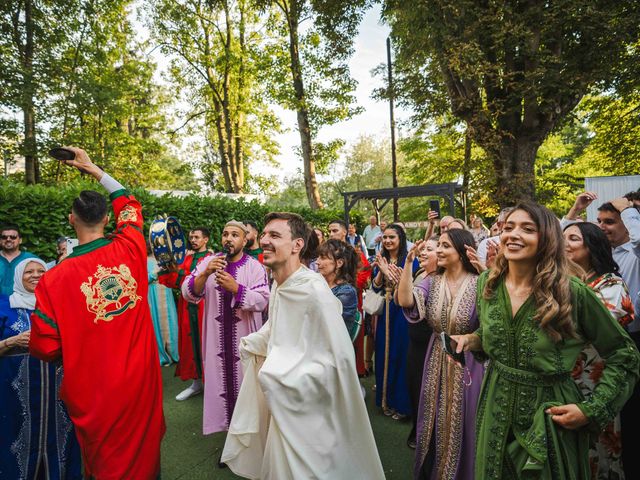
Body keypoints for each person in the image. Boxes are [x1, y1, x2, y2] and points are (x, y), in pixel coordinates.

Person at [452, 202, 640, 479]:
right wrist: (471, 339)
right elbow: (500, 333)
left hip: (550, 415)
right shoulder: (486, 284)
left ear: (547, 239)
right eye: (508, 228)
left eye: (527, 229)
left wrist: (591, 409)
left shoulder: (571, 292)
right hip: (495, 405)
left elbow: (624, 355)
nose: (513, 235)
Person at [29, 147, 165, 479]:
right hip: (139, 383)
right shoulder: (132, 247)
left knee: (104, 464)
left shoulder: (54, 279)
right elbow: (128, 202)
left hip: (94, 391)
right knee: (145, 459)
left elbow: (45, 347)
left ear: (71, 219)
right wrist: (93, 169)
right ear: (106, 219)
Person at [221, 212, 385, 479]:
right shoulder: (279, 285)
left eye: (275, 235)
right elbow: (279, 328)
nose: (264, 240)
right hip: (282, 404)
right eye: (263, 234)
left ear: (297, 245)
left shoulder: (313, 291)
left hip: (308, 412)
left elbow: (337, 360)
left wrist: (281, 376)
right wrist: (255, 341)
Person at [562, 192, 640, 478]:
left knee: (599, 454)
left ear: (591, 247)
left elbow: (586, 323)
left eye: (573, 239)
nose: (564, 244)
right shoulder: (561, 282)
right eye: (563, 239)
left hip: (596, 383)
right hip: (563, 381)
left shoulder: (611, 284)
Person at [395, 230, 483, 479]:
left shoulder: (480, 282)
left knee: (466, 420)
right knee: (433, 417)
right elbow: (405, 301)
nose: (439, 251)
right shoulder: (431, 281)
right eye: (439, 245)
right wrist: (408, 264)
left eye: (446, 246)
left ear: (463, 250)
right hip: (436, 357)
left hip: (471, 361)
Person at [182, 221, 269, 437]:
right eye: (225, 234)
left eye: (234, 235)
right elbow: (187, 292)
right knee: (219, 386)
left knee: (246, 387)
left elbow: (263, 300)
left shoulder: (254, 266)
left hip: (244, 339)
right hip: (215, 340)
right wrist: (204, 274)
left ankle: (248, 438)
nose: (228, 238)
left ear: (245, 239)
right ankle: (228, 436)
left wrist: (236, 289)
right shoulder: (208, 262)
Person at [1, 258, 82, 480]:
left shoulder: (57, 304)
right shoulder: (3, 306)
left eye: (41, 270)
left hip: (57, 392)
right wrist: (12, 341)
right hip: (13, 394)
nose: (36, 275)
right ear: (18, 275)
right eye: (29, 271)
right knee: (13, 438)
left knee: (62, 435)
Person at [158, 227, 212, 400]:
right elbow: (176, 281)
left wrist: (182, 274)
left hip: (206, 307)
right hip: (187, 307)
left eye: (197, 237)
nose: (193, 240)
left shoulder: (212, 259)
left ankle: (213, 385)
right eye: (191, 237)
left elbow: (204, 282)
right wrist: (170, 267)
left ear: (206, 239)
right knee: (190, 344)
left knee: (207, 343)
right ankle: (196, 384)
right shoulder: (185, 259)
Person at [395, 236, 438, 450]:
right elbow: (400, 299)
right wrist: (406, 269)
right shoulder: (421, 274)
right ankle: (418, 431)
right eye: (423, 248)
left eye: (429, 249)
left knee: (431, 394)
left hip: (433, 344)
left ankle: (430, 437)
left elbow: (407, 300)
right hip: (416, 344)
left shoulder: (440, 279)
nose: (422, 252)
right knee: (415, 390)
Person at [372, 223, 418, 420]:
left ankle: (401, 403)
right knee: (383, 353)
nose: (388, 241)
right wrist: (381, 270)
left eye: (392, 237)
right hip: (386, 312)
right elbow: (375, 288)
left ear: (401, 239)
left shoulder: (411, 261)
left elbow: (411, 288)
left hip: (403, 313)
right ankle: (385, 399)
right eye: (385, 237)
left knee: (400, 354)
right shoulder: (381, 259)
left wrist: (389, 271)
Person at [316, 239, 359, 336]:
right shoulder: (320, 283)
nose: (317, 262)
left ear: (339, 263)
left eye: (323, 258)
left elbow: (328, 326)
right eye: (318, 257)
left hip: (334, 347)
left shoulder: (346, 292)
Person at [147, 242, 180, 366]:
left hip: (166, 293)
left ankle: (174, 352)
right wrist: (152, 274)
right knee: (155, 323)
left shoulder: (164, 261)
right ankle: (161, 355)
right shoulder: (143, 261)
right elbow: (141, 280)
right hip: (152, 295)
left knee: (171, 321)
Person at [0, 225, 37, 296]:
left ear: (20, 240)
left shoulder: (31, 260)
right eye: (4, 237)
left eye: (13, 237)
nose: (8, 239)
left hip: (23, 304)